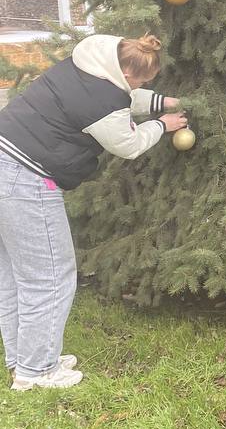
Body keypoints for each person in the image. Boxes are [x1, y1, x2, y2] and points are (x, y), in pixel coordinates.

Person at [0, 33, 187, 391]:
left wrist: (166, 101)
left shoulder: (87, 62)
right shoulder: (104, 100)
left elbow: (125, 97)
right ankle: (36, 371)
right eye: (144, 82)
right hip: (25, 179)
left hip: (4, 157)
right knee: (49, 277)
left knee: (14, 274)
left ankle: (25, 358)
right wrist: (163, 124)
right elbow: (128, 143)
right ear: (129, 75)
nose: (143, 87)